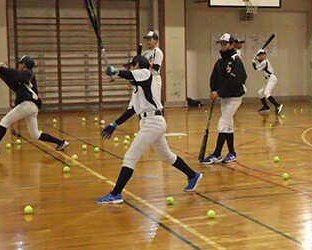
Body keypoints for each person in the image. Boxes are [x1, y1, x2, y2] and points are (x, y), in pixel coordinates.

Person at [96, 55, 202, 204]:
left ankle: (116, 194)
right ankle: (193, 175)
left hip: (153, 123)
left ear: (138, 65)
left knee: (130, 157)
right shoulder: (137, 90)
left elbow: (129, 74)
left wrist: (116, 72)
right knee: (166, 156)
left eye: (132, 66)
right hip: (150, 122)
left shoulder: (146, 73)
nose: (130, 69)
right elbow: (132, 110)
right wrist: (114, 124)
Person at [0, 56, 69, 154]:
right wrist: (0, 71)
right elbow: (13, 84)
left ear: (23, 65)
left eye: (20, 64)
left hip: (27, 105)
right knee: (35, 134)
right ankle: (61, 142)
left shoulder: (28, 73)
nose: (19, 65)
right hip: (31, 107)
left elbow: (16, 74)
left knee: (4, 121)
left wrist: (0, 68)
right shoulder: (23, 77)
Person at [201, 33, 247, 165]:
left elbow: (236, 80)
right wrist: (213, 90)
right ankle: (232, 153)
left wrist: (219, 92)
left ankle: (217, 154)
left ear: (232, 45)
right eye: (221, 44)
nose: (222, 46)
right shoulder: (220, 61)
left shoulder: (236, 60)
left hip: (235, 97)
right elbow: (214, 78)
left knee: (223, 123)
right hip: (224, 97)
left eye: (225, 44)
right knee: (228, 124)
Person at [252, 49, 283, 115]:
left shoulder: (265, 62)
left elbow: (256, 68)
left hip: (272, 79)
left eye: (263, 54)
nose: (262, 56)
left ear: (265, 55)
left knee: (266, 93)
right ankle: (266, 107)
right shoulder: (263, 62)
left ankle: (277, 105)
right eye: (260, 55)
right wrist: (256, 59)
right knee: (260, 93)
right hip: (268, 79)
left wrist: (253, 62)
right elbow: (260, 62)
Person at [142, 30, 163, 100]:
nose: (148, 42)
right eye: (147, 40)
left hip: (154, 78)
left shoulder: (157, 52)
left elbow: (156, 67)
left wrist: (146, 63)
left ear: (156, 41)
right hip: (146, 78)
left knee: (155, 100)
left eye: (150, 40)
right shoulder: (146, 53)